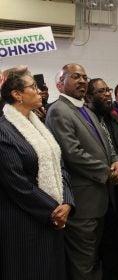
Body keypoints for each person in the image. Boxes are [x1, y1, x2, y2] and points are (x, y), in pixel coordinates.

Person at [46, 63, 118, 280]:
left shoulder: (85, 109)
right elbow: (73, 153)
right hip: (83, 202)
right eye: (75, 77)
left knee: (93, 257)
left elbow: (107, 143)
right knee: (83, 262)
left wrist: (117, 161)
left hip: (100, 199)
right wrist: (106, 172)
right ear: (60, 83)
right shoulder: (59, 110)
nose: (82, 81)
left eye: (84, 77)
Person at [0, 67, 74, 280]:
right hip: (23, 223)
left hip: (53, 217)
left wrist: (67, 203)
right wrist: (54, 209)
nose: (40, 91)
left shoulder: (38, 125)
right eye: (33, 87)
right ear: (17, 94)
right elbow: (17, 184)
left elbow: (59, 165)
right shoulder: (4, 131)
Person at [85, 78, 118, 280]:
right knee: (109, 239)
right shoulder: (89, 120)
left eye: (108, 90)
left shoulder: (116, 118)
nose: (107, 94)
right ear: (89, 97)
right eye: (102, 91)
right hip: (103, 188)